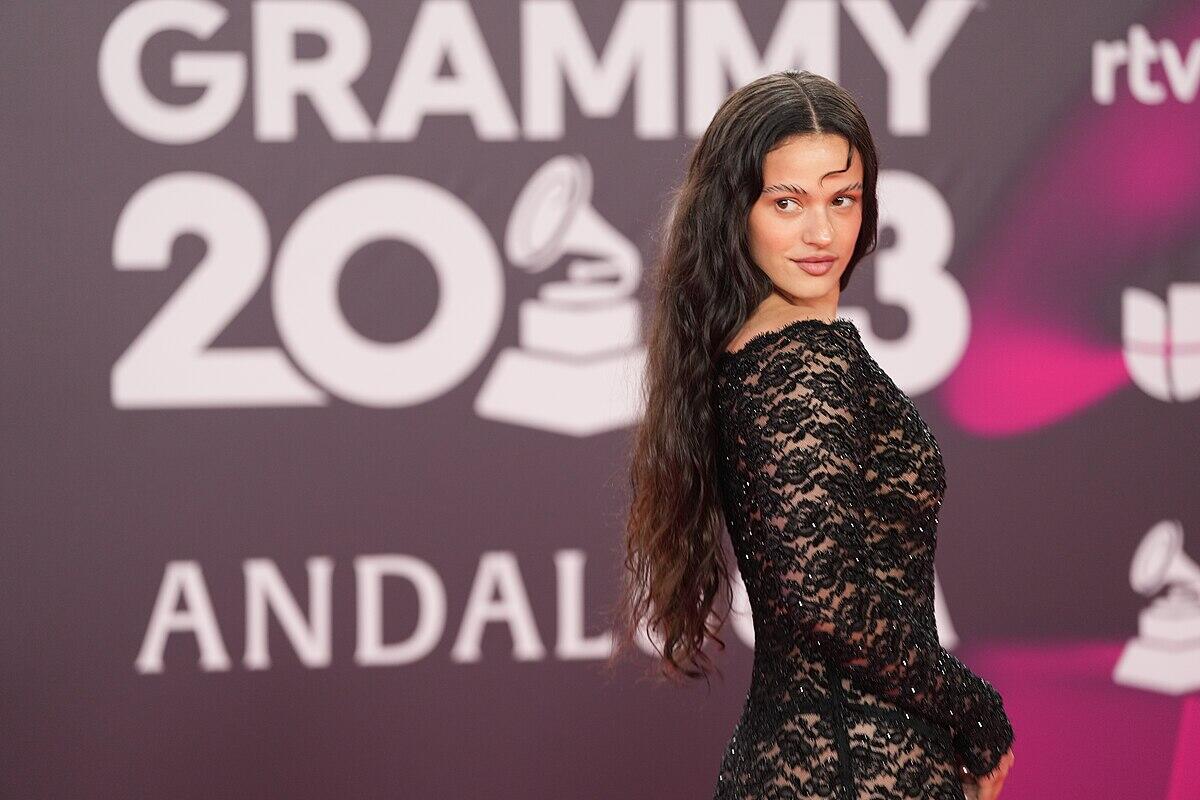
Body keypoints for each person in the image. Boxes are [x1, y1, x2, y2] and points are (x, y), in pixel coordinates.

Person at [609, 70, 1015, 799]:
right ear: (737, 210)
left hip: (819, 761)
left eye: (843, 199)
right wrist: (977, 713)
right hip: (850, 770)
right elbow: (823, 590)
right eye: (787, 201)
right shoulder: (799, 356)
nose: (822, 232)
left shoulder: (760, 346)